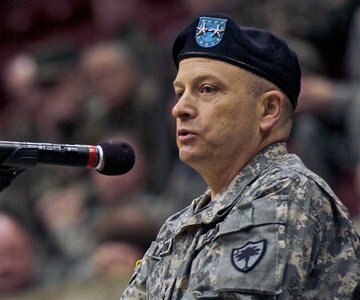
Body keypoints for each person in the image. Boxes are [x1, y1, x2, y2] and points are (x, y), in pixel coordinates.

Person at [121, 13, 360, 299]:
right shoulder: (176, 228)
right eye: (179, 92)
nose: (179, 108)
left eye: (207, 89)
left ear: (269, 110)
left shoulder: (287, 193)